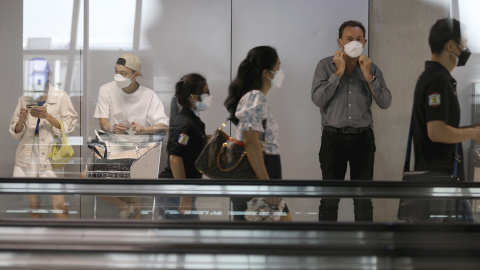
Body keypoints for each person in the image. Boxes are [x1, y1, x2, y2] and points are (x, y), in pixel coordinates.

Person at [311, 20, 392, 222]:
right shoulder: (325, 66)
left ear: (364, 42)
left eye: (358, 39)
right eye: (349, 39)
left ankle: (364, 246)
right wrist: (337, 72)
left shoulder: (371, 68)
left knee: (363, 198)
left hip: (362, 138)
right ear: (340, 42)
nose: (354, 43)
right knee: (329, 198)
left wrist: (369, 76)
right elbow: (317, 99)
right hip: (333, 138)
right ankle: (327, 247)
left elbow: (386, 102)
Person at [411, 18, 480, 212]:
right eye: (464, 41)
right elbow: (437, 132)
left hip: (445, 180)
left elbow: (444, 127)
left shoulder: (437, 79)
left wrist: (472, 128)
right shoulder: (437, 82)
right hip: (440, 183)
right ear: (451, 45)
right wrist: (473, 134)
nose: (467, 47)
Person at [93, 53, 169, 219]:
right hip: (112, 149)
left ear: (136, 75)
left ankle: (133, 228)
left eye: (124, 73)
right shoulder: (106, 89)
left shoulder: (148, 95)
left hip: (137, 153)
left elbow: (164, 124)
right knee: (91, 180)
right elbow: (103, 122)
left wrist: (145, 130)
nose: (118, 76)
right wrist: (112, 128)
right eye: (116, 71)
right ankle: (126, 207)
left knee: (134, 200)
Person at [224, 46, 292, 222]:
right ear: (266, 72)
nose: (280, 71)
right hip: (260, 174)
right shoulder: (255, 97)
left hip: (263, 173)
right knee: (279, 236)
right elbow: (251, 142)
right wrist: (266, 185)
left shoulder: (255, 98)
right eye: (278, 67)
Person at [9, 57, 78, 218]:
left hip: (50, 154)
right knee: (34, 206)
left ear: (49, 73)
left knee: (59, 204)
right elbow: (16, 132)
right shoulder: (24, 98)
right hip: (28, 154)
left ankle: (65, 241)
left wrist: (47, 116)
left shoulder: (61, 96)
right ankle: (36, 241)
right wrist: (21, 120)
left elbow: (69, 126)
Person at [157, 73, 211, 220]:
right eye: (205, 92)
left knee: (182, 237)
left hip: (180, 191)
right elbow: (175, 158)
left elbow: (188, 148)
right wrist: (184, 194)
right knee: (188, 237)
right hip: (176, 193)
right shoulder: (186, 123)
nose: (208, 96)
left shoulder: (192, 121)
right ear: (193, 97)